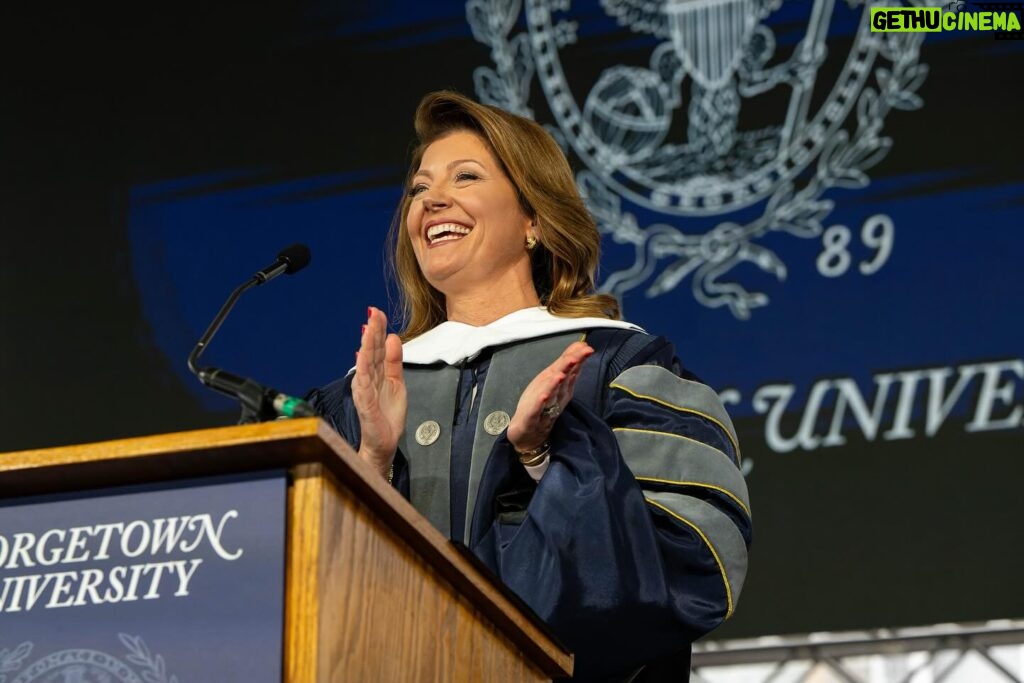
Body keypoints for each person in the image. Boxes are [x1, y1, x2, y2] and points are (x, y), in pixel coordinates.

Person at [308, 91, 751, 682]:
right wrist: (371, 467)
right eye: (419, 188)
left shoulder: (622, 367)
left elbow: (698, 562)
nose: (431, 199)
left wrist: (546, 457)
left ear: (534, 221)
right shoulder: (356, 400)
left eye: (465, 177)